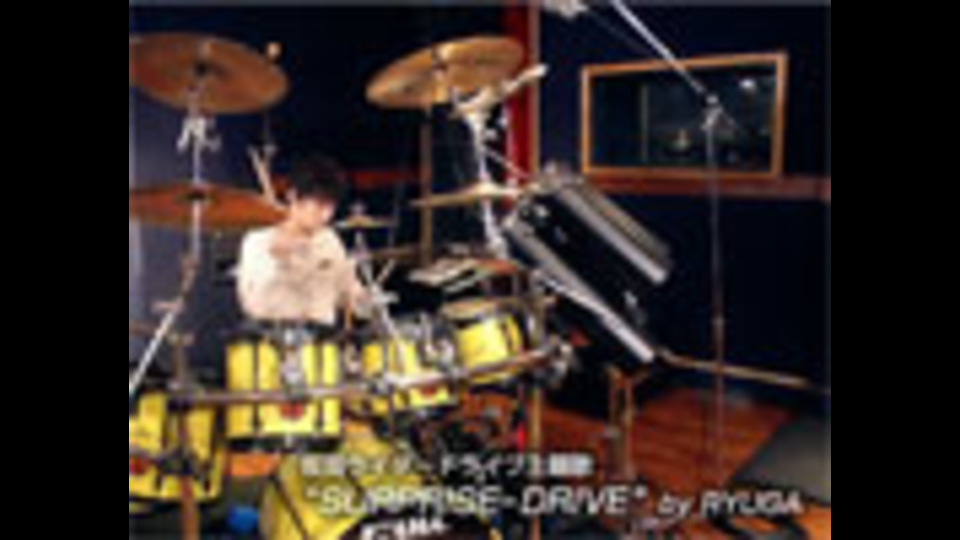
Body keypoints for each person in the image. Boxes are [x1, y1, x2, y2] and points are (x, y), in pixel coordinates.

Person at [237, 154, 366, 325]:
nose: (326, 216)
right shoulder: (258, 241)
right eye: (319, 205)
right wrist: (277, 260)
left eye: (331, 207)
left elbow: (350, 294)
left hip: (323, 338)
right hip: (275, 336)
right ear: (293, 196)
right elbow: (251, 304)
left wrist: (368, 301)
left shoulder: (329, 240)